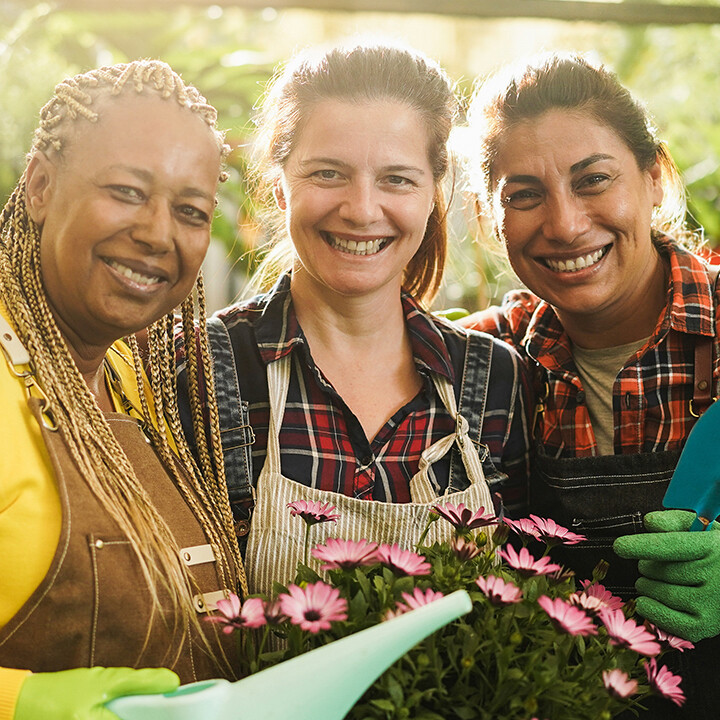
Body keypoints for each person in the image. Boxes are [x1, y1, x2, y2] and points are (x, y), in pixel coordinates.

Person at [178, 40, 532, 597]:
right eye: (327, 173)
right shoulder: (200, 368)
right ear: (278, 183)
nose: (362, 210)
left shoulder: (493, 379)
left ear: (434, 194)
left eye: (397, 179)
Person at [459, 52, 720, 718]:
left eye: (594, 179)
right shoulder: (480, 364)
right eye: (524, 195)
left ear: (655, 176)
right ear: (491, 217)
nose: (566, 224)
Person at [0, 60, 248, 720]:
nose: (157, 233)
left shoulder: (130, 381)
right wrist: (22, 700)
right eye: (127, 191)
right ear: (41, 186)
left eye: (190, 211)